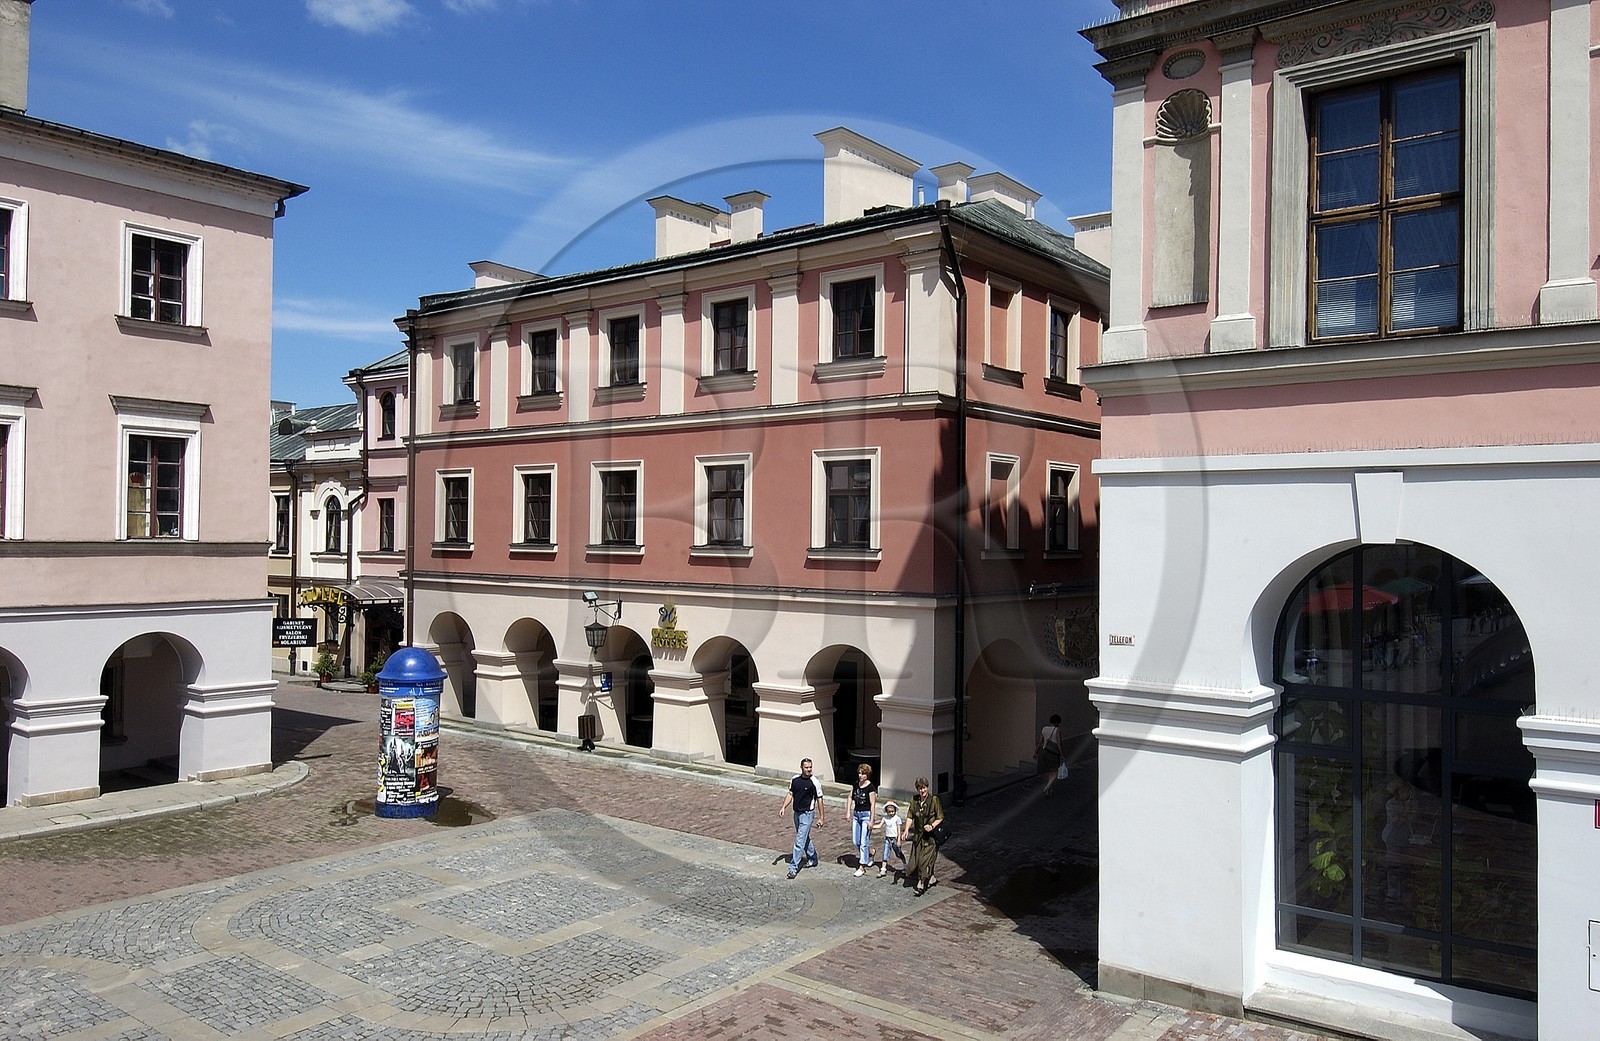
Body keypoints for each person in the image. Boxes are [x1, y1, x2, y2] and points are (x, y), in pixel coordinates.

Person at [778, 757, 824, 879]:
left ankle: (793, 868)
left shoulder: (814, 782)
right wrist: (783, 807)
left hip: (807, 814)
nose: (809, 769)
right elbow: (790, 794)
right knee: (803, 837)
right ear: (801, 768)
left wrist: (821, 817)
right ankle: (813, 858)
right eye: (806, 767)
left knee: (799, 841)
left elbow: (820, 800)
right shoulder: (795, 780)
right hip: (797, 813)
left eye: (810, 767)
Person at [905, 777, 944, 896]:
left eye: (924, 788)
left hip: (930, 837)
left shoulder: (934, 800)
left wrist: (932, 826)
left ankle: (921, 883)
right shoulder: (914, 800)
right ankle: (931, 877)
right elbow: (910, 816)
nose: (923, 790)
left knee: (924, 861)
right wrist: (906, 830)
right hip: (918, 836)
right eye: (920, 788)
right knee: (915, 862)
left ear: (927, 788)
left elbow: (940, 817)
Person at [848, 762, 878, 876]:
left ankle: (862, 866)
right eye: (859, 773)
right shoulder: (855, 785)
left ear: (867, 775)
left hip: (866, 815)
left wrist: (871, 820)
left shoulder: (870, 787)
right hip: (856, 814)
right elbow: (850, 797)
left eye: (863, 774)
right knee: (856, 841)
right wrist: (848, 812)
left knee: (864, 841)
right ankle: (871, 852)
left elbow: (873, 804)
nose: (860, 775)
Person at [1037, 713, 1065, 795]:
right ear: (1057, 723)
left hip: (1045, 751)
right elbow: (1059, 743)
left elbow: (1039, 742)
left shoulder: (1044, 729)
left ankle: (1049, 791)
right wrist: (1062, 755)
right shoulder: (1057, 730)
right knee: (1055, 772)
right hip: (1054, 753)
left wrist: (1036, 752)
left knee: (1050, 771)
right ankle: (1047, 787)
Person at [878, 800, 907, 879]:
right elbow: (880, 825)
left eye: (892, 811)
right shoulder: (885, 818)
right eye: (889, 812)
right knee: (885, 853)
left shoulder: (897, 818)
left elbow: (898, 830)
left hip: (894, 838)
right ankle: (883, 869)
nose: (891, 813)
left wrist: (898, 840)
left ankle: (905, 864)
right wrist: (871, 826)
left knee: (898, 853)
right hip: (888, 838)